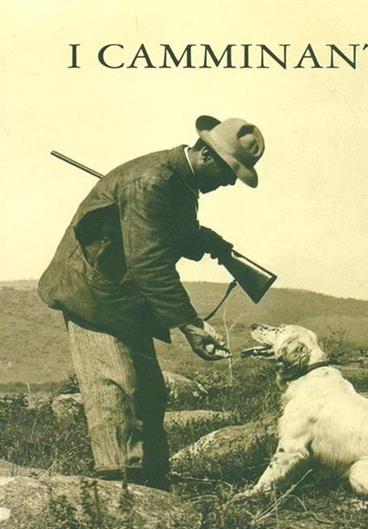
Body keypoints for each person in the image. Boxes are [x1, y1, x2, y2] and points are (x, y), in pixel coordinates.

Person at [38, 115, 265, 490]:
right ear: (207, 155)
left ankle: (155, 488)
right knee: (117, 388)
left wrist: (209, 243)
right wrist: (190, 324)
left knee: (148, 392)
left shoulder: (178, 181)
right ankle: (118, 492)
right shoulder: (152, 181)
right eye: (228, 173)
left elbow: (167, 231)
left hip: (124, 295)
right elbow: (149, 263)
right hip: (93, 292)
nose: (228, 183)